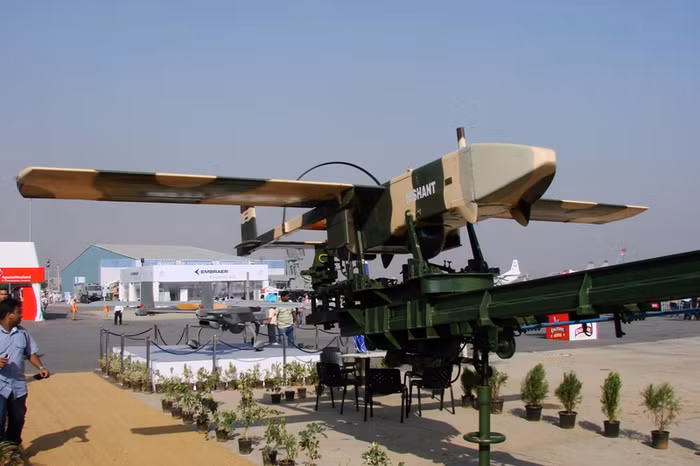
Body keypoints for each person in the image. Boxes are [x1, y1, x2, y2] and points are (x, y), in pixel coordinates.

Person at [0, 298, 50, 449]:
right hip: (0, 386)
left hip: (18, 387)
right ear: (9, 315)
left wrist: (41, 367)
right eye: (18, 312)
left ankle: (13, 448)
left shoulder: (22, 333)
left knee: (18, 419)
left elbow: (30, 353)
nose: (21, 315)